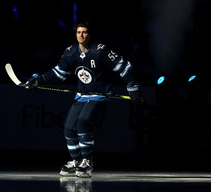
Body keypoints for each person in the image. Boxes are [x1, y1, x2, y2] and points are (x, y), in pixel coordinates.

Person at [24, 21, 144, 178]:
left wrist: (132, 86)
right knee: (68, 127)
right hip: (81, 96)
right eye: (78, 32)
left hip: (99, 95)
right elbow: (59, 72)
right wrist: (39, 79)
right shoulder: (70, 52)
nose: (81, 35)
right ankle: (76, 162)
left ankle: (87, 162)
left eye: (84, 32)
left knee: (83, 122)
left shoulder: (101, 51)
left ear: (90, 34)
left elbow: (124, 66)